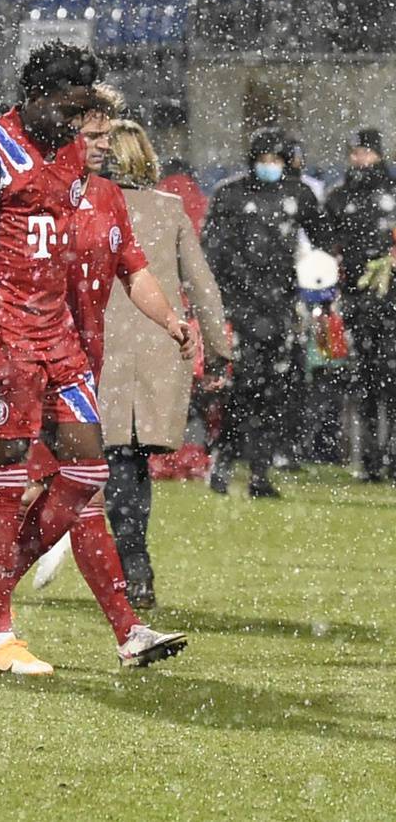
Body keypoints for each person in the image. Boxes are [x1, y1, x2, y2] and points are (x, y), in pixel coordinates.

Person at [0, 43, 188, 675]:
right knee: (7, 482)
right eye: (72, 112)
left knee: (88, 472)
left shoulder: (72, 161)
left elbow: (66, 257)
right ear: (38, 95)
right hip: (4, 340)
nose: (80, 129)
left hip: (57, 340)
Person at [94, 119, 229, 607]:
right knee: (130, 462)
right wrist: (219, 348)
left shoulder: (87, 205)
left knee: (104, 460)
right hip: (156, 346)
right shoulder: (171, 211)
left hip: (100, 348)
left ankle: (122, 563)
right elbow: (202, 284)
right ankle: (135, 566)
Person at [202, 127, 322, 498]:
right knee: (241, 391)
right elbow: (212, 251)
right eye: (263, 159)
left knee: (272, 393)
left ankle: (259, 472)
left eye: (276, 160)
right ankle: (223, 461)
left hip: (279, 308)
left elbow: (323, 236)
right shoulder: (231, 194)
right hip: (240, 307)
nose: (269, 166)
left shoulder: (296, 193)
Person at [321, 128, 396, 482]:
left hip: (392, 300)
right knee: (363, 382)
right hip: (355, 300)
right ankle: (367, 461)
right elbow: (323, 244)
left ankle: (393, 457)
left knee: (392, 381)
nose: (361, 159)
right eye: (356, 152)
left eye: (367, 152)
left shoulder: (392, 192)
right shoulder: (338, 195)